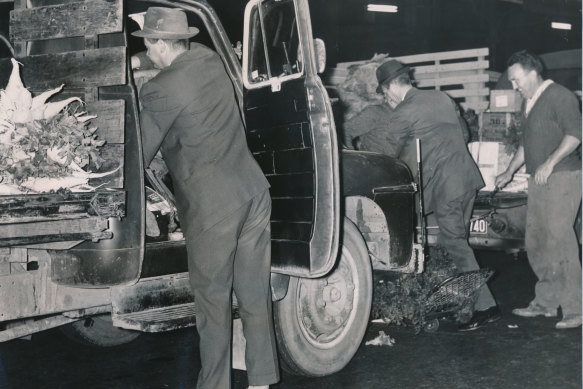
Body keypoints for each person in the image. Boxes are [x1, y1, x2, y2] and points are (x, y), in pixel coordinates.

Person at [131, 7, 279, 388]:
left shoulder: (160, 89)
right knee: (253, 293)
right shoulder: (209, 60)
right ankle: (261, 382)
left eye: (148, 45)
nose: (147, 54)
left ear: (162, 43)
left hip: (214, 207)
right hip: (252, 190)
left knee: (212, 306)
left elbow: (138, 156)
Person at [376, 60, 500, 331]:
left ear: (390, 87)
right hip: (467, 178)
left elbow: (391, 157)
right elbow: (464, 133)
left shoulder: (403, 111)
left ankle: (486, 307)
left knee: (454, 243)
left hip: (447, 187)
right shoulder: (441, 97)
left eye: (385, 93)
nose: (386, 98)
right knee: (457, 242)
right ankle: (467, 304)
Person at [495, 50, 582, 329]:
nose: (514, 86)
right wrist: (509, 170)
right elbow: (527, 143)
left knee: (560, 240)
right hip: (539, 179)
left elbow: (576, 134)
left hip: (563, 177)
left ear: (533, 73)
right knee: (536, 241)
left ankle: (575, 308)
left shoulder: (560, 96)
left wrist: (549, 163)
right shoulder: (528, 102)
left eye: (516, 79)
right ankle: (546, 303)